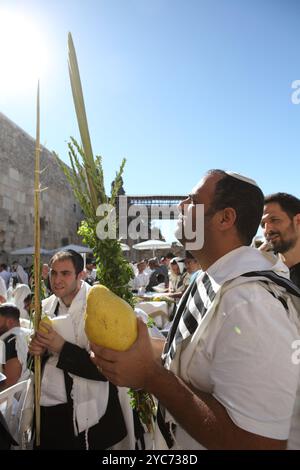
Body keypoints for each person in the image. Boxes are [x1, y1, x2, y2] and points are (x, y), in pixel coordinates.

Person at [91, 169, 300, 450]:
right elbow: (201, 353)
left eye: (192, 200)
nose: (180, 206)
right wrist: (139, 349)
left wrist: (151, 376)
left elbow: (258, 443)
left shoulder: (253, 304)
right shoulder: (211, 276)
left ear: (225, 218)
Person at [28, 249, 141, 450]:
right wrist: (37, 350)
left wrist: (62, 348)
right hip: (48, 409)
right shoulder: (45, 307)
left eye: (65, 273)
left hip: (90, 416)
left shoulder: (99, 307)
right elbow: (34, 364)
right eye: (54, 273)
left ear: (81, 275)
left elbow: (108, 369)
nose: (57, 279)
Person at [261, 193, 300, 288]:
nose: (267, 230)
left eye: (274, 220)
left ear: (298, 220)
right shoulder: (262, 274)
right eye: (262, 224)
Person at [0, 304, 30, 391]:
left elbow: (11, 381)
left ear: (9, 322)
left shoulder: (10, 340)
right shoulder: (28, 333)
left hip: (13, 399)